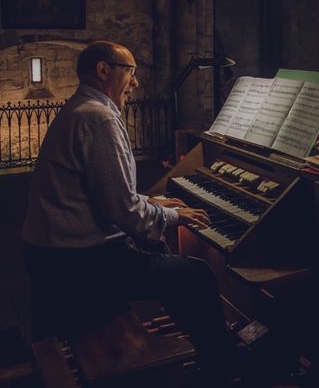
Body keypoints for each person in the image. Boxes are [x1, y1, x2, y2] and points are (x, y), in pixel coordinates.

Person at [21, 41, 233, 384]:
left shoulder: (80, 108)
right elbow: (122, 210)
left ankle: (185, 348)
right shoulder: (100, 117)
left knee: (159, 255)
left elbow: (103, 192)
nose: (135, 82)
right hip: (77, 261)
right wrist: (172, 216)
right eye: (130, 71)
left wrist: (154, 204)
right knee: (197, 276)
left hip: (50, 253)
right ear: (103, 70)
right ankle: (221, 368)